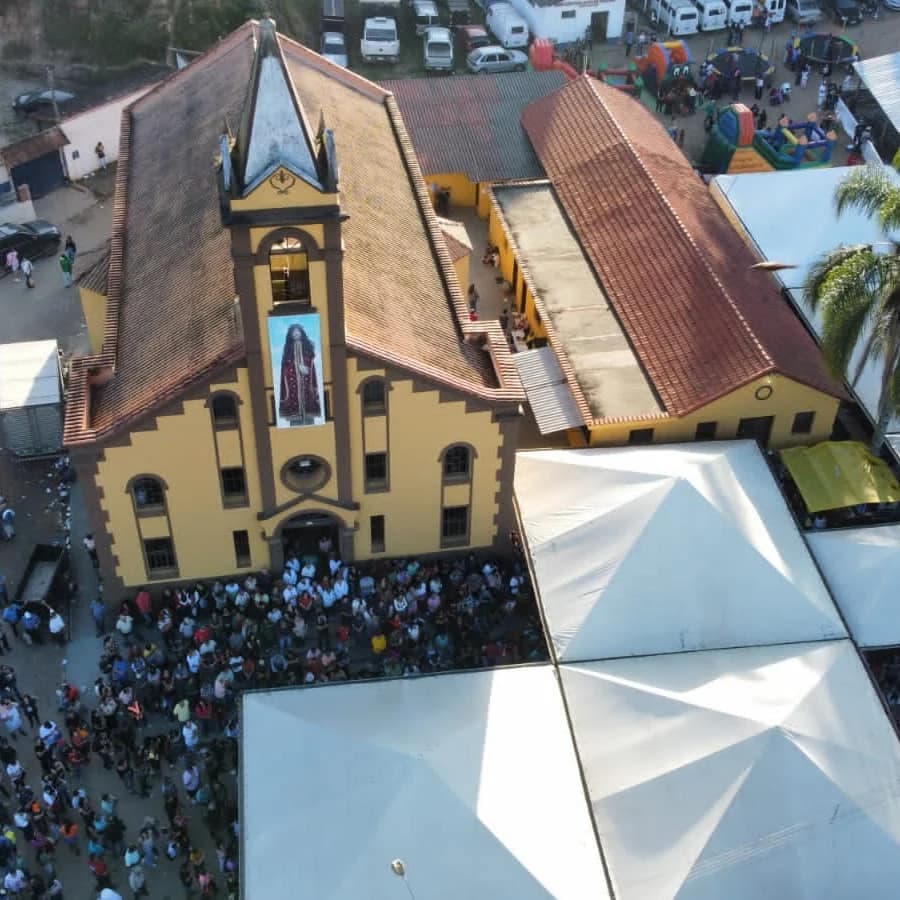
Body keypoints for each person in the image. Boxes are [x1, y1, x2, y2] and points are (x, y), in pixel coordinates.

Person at [278, 324, 321, 425]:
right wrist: (296, 367)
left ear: (302, 333)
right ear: (290, 334)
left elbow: (310, 361)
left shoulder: (307, 346)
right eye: (294, 332)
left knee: (308, 400)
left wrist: (306, 368)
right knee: (294, 404)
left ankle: (309, 421)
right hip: (292, 381)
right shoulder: (288, 348)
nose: (296, 333)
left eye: (298, 331)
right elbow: (285, 365)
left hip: (306, 380)